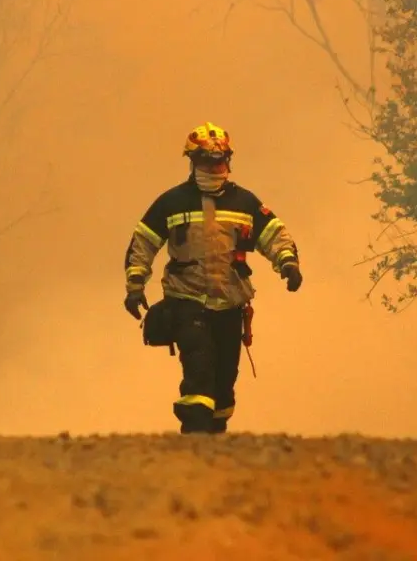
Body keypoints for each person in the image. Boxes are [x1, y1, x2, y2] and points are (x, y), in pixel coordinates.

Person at [121, 121, 303, 434]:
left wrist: (288, 264)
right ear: (193, 162)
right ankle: (195, 435)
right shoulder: (172, 202)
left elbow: (274, 235)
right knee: (199, 368)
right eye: (208, 161)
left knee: (224, 381)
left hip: (230, 305)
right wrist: (135, 286)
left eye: (220, 160)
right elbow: (143, 243)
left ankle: (215, 441)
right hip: (186, 301)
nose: (216, 167)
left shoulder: (245, 203)